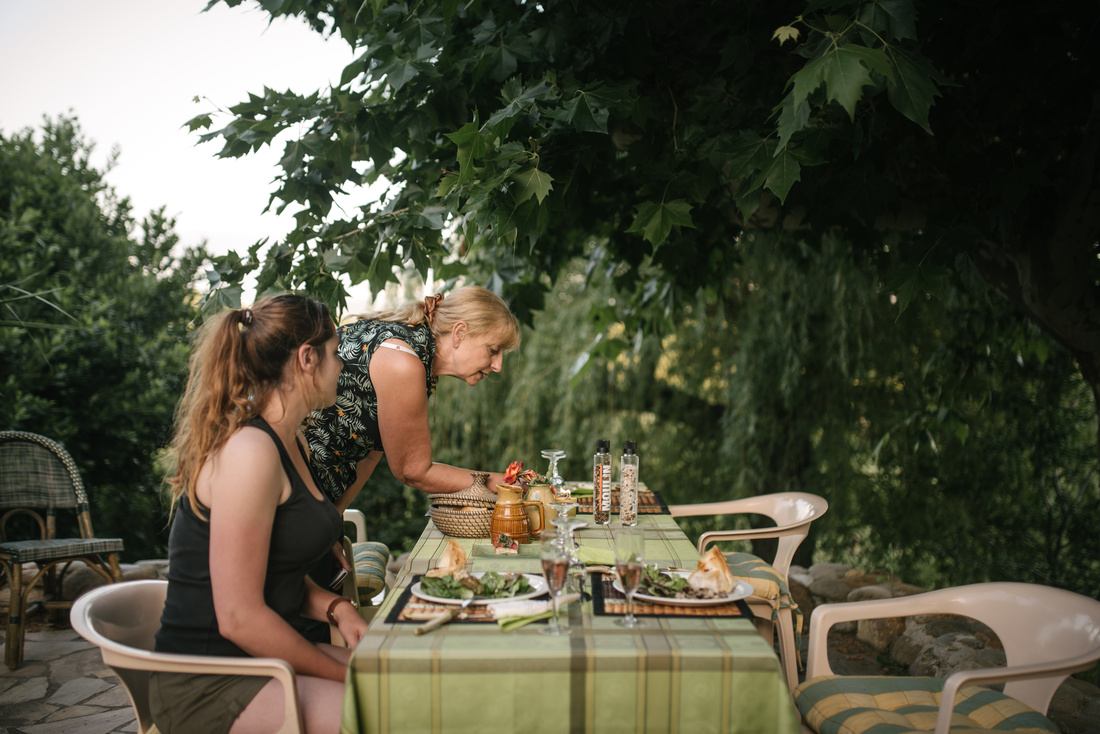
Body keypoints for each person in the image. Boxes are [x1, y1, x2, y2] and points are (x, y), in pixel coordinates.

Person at [154, 294, 368, 734]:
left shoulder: (292, 440)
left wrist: (336, 608)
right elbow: (238, 616)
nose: (342, 367)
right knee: (384, 710)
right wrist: (342, 673)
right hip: (211, 679)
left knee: (404, 686)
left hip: (259, 659)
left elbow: (275, 571)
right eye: (335, 354)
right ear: (307, 358)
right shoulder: (251, 451)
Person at [304, 285, 520, 510]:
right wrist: (505, 483)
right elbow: (413, 471)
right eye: (493, 350)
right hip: (297, 492)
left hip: (315, 499)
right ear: (459, 333)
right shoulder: (404, 362)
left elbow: (371, 453)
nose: (498, 366)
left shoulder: (412, 347)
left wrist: (334, 521)